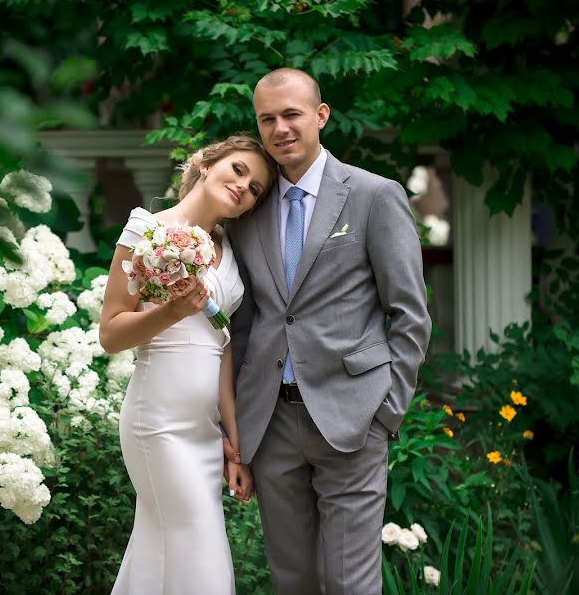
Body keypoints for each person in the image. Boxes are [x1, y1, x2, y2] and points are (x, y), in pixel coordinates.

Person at [226, 68, 432, 594]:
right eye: (266, 119)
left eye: (292, 114)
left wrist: (385, 413)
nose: (280, 129)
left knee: (349, 583)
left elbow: (410, 313)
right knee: (290, 579)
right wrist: (242, 428)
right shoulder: (247, 206)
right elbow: (245, 325)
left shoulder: (373, 195)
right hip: (271, 422)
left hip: (351, 418)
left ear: (320, 116)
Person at [100, 134, 276, 594]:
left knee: (162, 555)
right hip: (157, 423)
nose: (243, 187)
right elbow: (111, 333)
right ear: (207, 164)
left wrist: (234, 446)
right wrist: (172, 311)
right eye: (238, 170)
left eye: (255, 188)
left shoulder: (230, 250)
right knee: (203, 555)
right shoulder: (145, 229)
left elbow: (222, 348)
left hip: (204, 431)